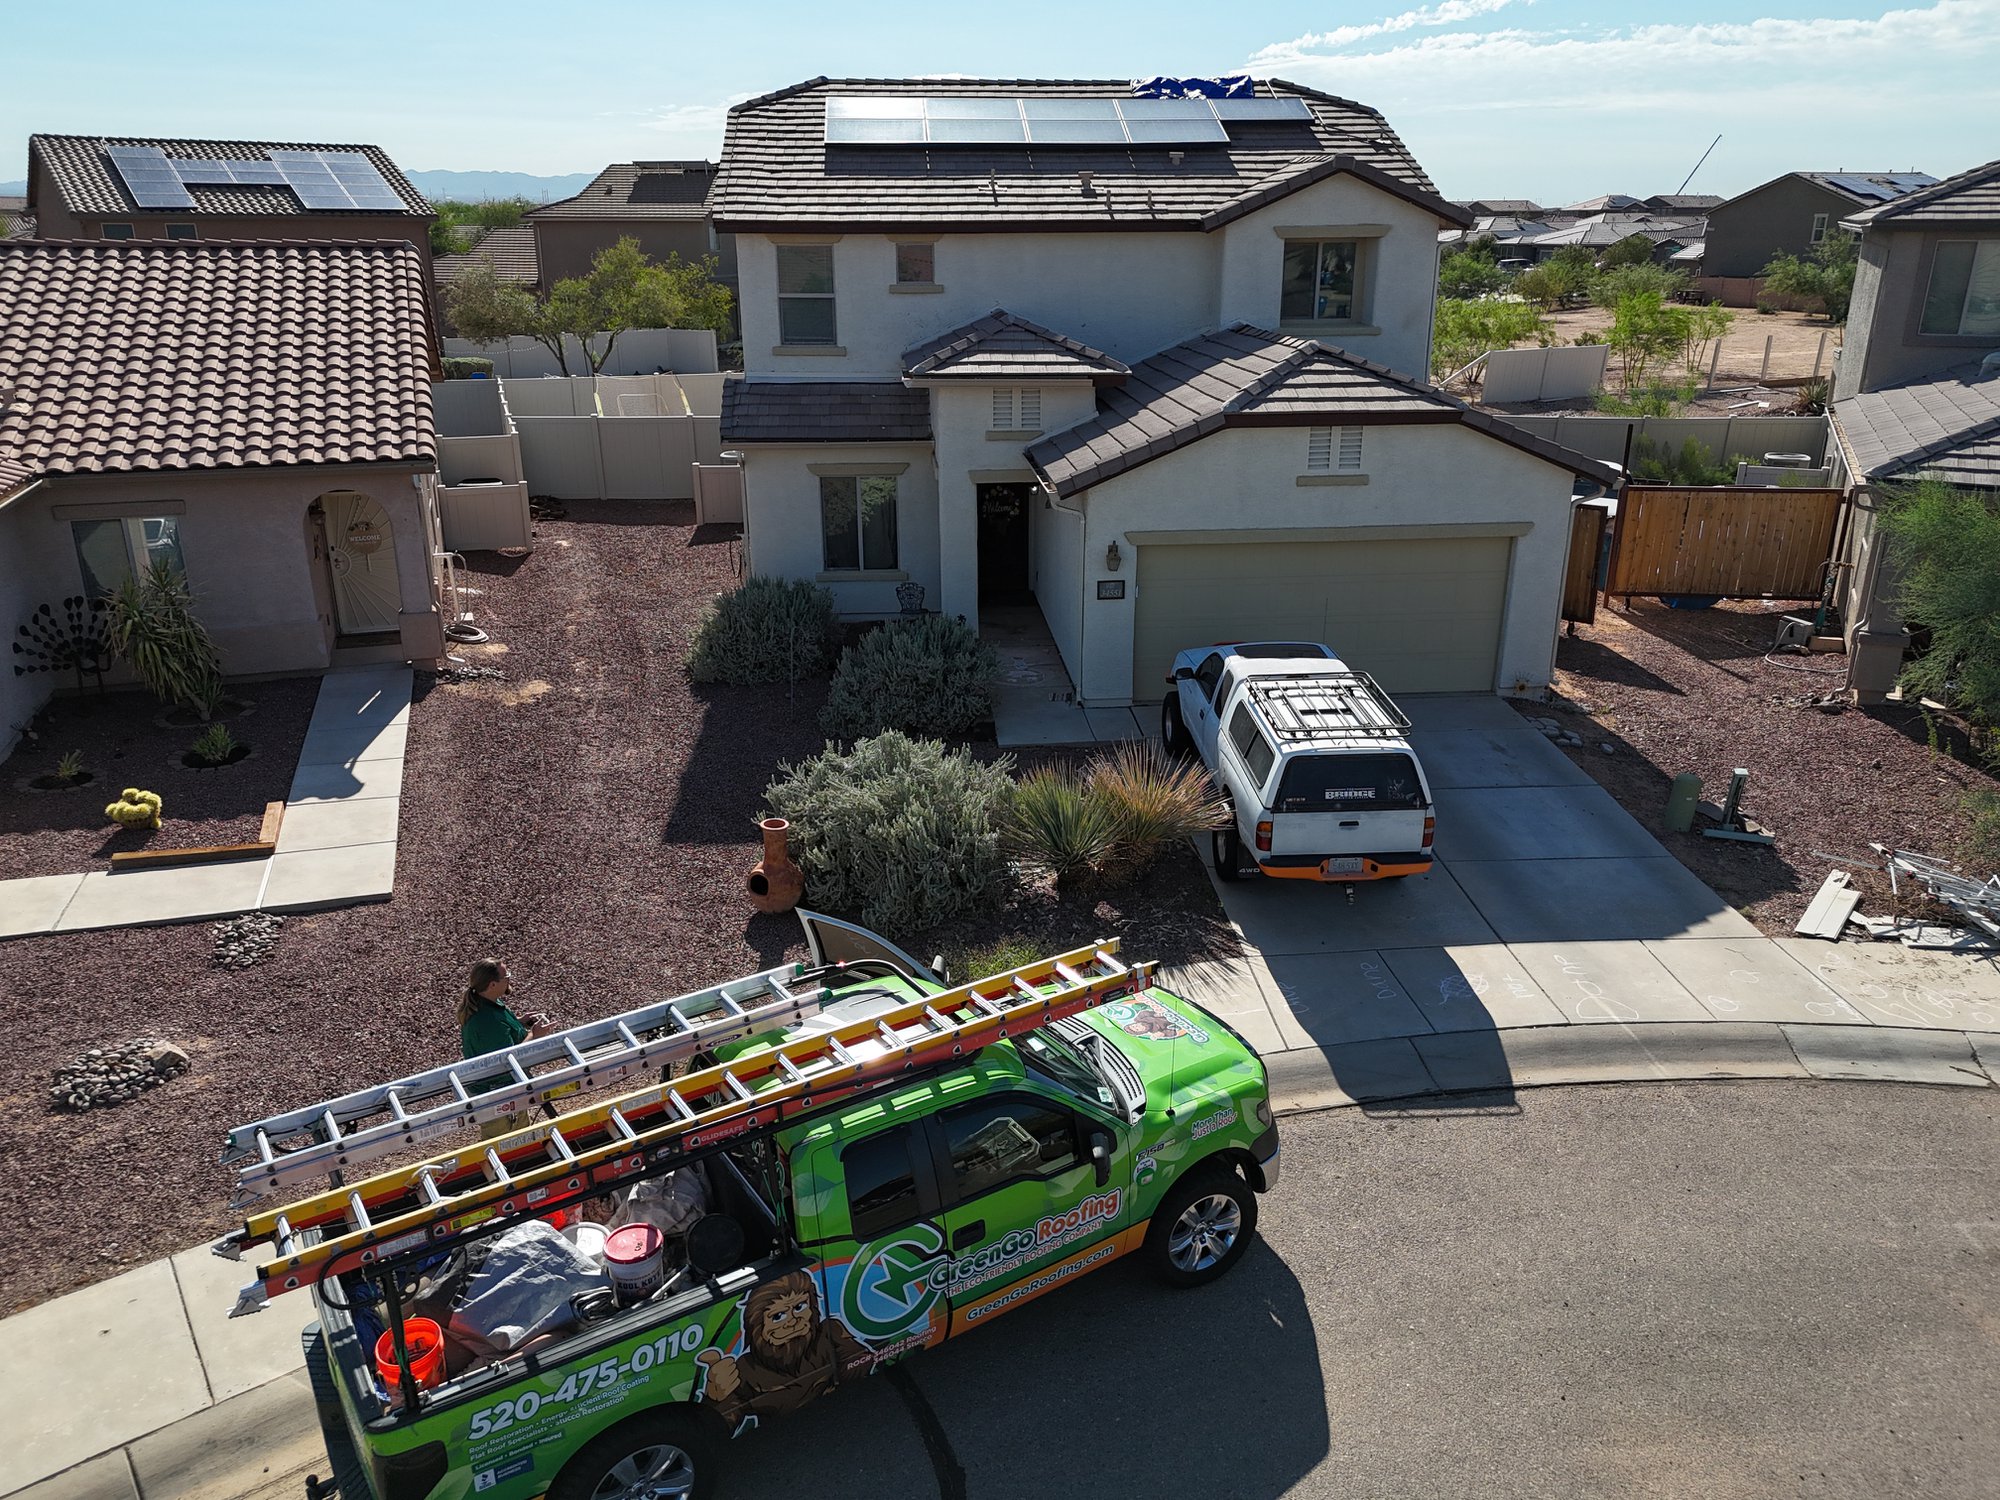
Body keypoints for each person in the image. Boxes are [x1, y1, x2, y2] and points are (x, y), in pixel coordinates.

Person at [457, 960, 553, 1139]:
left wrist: (518, 1021)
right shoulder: (488, 1020)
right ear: (492, 984)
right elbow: (509, 1058)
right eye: (506, 976)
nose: (509, 979)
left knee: (518, 1136)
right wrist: (535, 1034)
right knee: (503, 1143)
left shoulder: (485, 1004)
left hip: (499, 1088)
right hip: (496, 1094)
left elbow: (499, 1031)